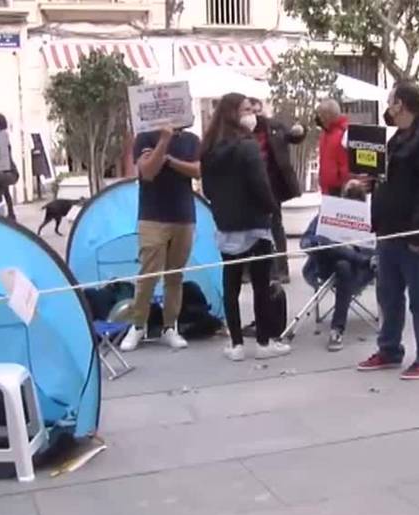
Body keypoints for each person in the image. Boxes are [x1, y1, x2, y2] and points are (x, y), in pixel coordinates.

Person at [356, 82, 419, 381]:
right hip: (388, 230)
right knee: (389, 294)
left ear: (402, 104)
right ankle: (389, 349)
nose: (388, 106)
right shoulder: (397, 138)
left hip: (413, 233)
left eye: (391, 101)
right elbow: (389, 176)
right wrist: (370, 184)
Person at [201, 93, 291, 361]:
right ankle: (263, 343)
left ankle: (237, 344)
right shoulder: (248, 146)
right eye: (246, 109)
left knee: (231, 285)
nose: (252, 114)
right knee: (261, 285)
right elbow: (261, 185)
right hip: (255, 224)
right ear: (233, 113)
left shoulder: (208, 148)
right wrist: (272, 209)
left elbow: (207, 190)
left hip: (226, 225)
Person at [119, 121, 201, 352]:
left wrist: (170, 161)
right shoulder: (145, 137)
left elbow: (197, 170)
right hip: (152, 215)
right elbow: (148, 171)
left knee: (175, 275)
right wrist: (163, 141)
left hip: (184, 215)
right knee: (148, 275)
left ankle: (170, 326)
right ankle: (137, 325)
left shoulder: (191, 140)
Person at [301, 180, 374, 351]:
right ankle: (336, 330)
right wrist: (324, 240)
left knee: (344, 265)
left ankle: (337, 329)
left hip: (356, 272)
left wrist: (358, 248)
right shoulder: (328, 214)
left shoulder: (370, 219)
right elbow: (305, 241)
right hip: (328, 266)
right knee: (335, 253)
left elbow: (376, 249)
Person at [249, 98, 306, 283]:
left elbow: (293, 136)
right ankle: (254, 270)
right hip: (250, 187)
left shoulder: (274, 127)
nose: (257, 115)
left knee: (275, 226)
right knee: (252, 228)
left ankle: (281, 270)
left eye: (259, 111)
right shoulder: (241, 132)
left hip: (272, 185)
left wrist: (301, 131)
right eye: (252, 111)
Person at [316, 99, 350, 196]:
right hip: (327, 189)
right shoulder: (326, 134)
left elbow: (346, 165)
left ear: (328, 116)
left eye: (321, 115)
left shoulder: (345, 134)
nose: (319, 118)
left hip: (338, 191)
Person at [0, 113, 18, 220]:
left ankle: (11, 213)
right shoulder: (0, 134)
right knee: (6, 191)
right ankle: (11, 213)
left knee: (5, 190)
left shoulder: (2, 135)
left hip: (4, 164)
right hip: (2, 163)